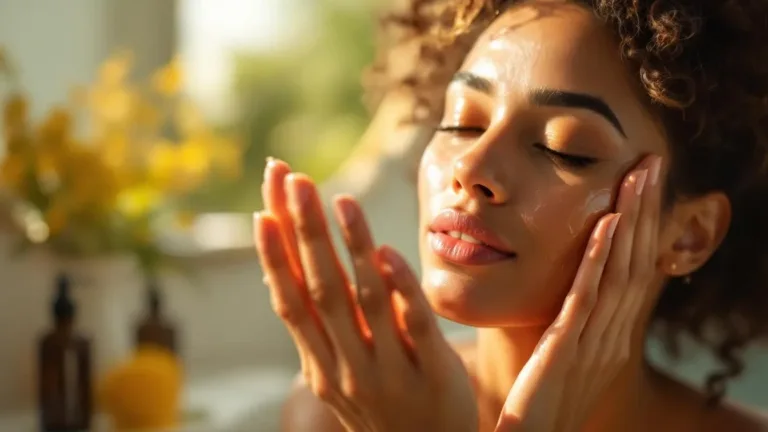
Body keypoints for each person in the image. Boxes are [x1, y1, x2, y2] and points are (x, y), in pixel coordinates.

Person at [253, 0, 768, 430]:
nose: (470, 167)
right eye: (461, 123)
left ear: (688, 236)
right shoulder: (340, 409)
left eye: (564, 149)